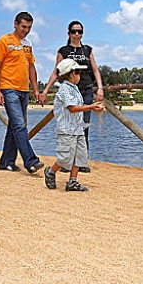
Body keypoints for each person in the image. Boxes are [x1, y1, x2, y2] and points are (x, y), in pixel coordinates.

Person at [40, 20, 104, 173]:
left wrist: (100, 88)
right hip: (70, 91)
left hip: (87, 90)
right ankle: (66, 162)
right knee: (68, 127)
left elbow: (95, 70)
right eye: (74, 31)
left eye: (79, 31)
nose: (77, 34)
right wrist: (45, 90)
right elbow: (56, 72)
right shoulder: (64, 50)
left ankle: (81, 162)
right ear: (69, 33)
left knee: (83, 127)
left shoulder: (87, 50)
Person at [0, 11, 44, 174]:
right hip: (8, 89)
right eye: (23, 27)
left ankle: (6, 162)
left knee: (14, 126)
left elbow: (31, 67)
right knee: (20, 125)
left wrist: (35, 89)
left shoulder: (28, 44)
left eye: (29, 27)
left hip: (24, 90)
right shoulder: (4, 41)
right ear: (15, 24)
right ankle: (31, 161)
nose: (26, 30)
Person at [43, 58, 104, 192]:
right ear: (71, 74)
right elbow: (72, 108)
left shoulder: (75, 89)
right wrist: (91, 107)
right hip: (66, 130)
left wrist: (92, 107)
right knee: (65, 157)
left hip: (78, 129)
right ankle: (51, 171)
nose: (80, 76)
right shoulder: (64, 89)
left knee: (80, 156)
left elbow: (78, 107)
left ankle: (72, 181)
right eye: (78, 73)